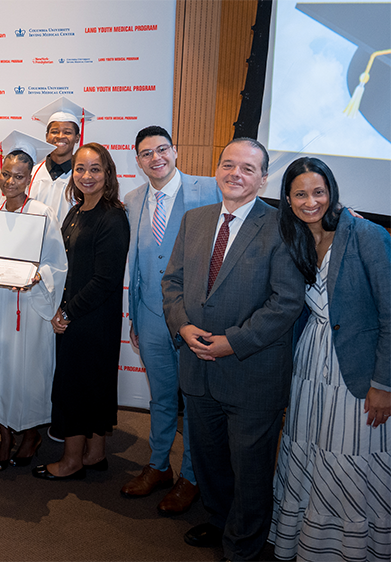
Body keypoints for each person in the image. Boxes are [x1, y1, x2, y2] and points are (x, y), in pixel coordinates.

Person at [161, 138, 304, 562]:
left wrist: (232, 343)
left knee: (251, 468)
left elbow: (286, 302)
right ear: (217, 169)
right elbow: (172, 283)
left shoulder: (283, 226)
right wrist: (182, 327)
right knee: (208, 460)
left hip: (251, 371)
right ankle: (223, 522)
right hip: (198, 368)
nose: (235, 174)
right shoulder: (196, 219)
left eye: (247, 168)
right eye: (228, 164)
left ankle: (244, 546)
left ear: (262, 179)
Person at [268, 157, 391, 561]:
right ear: (287, 198)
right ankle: (309, 545)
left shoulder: (365, 234)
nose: (310, 202)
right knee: (309, 451)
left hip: (354, 369)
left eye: (318, 192)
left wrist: (383, 384)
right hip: (309, 364)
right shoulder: (294, 236)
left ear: (331, 192)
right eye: (300, 194)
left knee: (350, 457)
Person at [120, 126, 220, 515]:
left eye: (162, 149)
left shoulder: (209, 189)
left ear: (175, 151)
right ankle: (158, 466)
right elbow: (140, 263)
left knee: (194, 403)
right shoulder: (132, 199)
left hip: (195, 320)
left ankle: (191, 476)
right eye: (146, 153)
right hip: (149, 316)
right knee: (161, 399)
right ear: (138, 160)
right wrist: (134, 320)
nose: (155, 158)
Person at [32, 143, 129, 481]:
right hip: (79, 312)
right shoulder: (77, 211)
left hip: (92, 318)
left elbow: (105, 279)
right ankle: (95, 453)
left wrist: (68, 313)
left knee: (76, 387)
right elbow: (65, 266)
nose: (87, 176)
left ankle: (71, 461)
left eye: (95, 169)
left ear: (108, 174)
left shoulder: (112, 217)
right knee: (92, 385)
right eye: (80, 169)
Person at [0, 132, 67, 470]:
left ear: (30, 179)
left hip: (27, 306)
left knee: (26, 371)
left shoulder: (42, 213)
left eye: (19, 176)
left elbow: (57, 262)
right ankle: (4, 435)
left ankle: (29, 434)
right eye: (5, 173)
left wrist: (40, 276)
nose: (10, 181)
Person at [27, 98, 94, 225]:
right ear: (47, 136)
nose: (60, 136)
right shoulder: (32, 174)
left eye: (67, 132)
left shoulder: (85, 178)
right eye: (54, 132)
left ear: (77, 138)